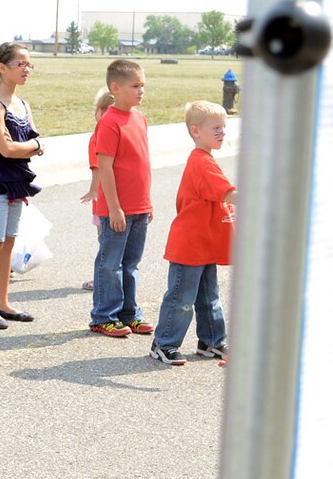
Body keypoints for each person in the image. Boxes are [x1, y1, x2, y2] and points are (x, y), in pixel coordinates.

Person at [150, 101, 236, 367]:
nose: (222, 132)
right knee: (181, 299)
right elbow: (228, 193)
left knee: (209, 297)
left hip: (205, 244)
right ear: (195, 131)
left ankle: (211, 341)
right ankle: (164, 344)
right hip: (190, 246)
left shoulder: (206, 160)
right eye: (216, 128)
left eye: (224, 127)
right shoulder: (201, 163)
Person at [0, 43, 43, 329]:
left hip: (17, 180)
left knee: (9, 242)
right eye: (20, 64)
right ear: (2, 69)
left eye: (29, 64)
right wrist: (35, 146)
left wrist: (29, 146)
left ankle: (3, 302)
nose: (26, 69)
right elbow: (5, 149)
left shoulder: (23, 105)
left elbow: (25, 144)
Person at [89, 60, 153, 338]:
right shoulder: (109, 122)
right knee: (110, 263)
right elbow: (105, 167)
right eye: (135, 86)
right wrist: (114, 208)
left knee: (131, 264)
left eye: (143, 86)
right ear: (115, 88)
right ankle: (104, 315)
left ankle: (129, 313)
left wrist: (147, 203)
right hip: (116, 209)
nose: (141, 91)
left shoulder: (139, 118)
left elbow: (142, 164)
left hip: (139, 207)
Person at [76, 87, 115, 292]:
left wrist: (93, 190)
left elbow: (97, 167)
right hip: (118, 193)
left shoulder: (97, 136)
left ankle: (101, 279)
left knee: (104, 239)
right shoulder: (119, 129)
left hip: (104, 197)